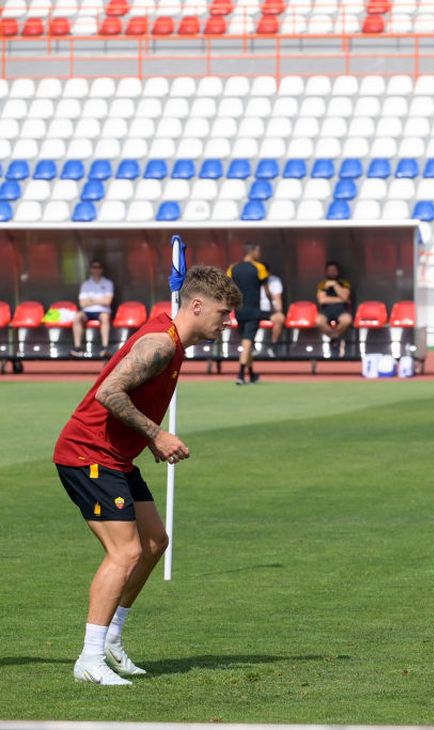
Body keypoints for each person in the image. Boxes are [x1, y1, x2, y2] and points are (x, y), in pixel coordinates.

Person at [53, 266, 241, 686]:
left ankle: (113, 639)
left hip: (116, 456)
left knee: (155, 541)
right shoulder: (159, 344)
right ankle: (89, 658)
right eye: (223, 313)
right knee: (126, 553)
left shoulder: (174, 344)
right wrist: (157, 432)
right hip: (88, 454)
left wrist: (147, 439)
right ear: (196, 306)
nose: (228, 322)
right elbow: (108, 391)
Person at [227, 243, 277, 384]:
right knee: (247, 342)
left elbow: (227, 287)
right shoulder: (259, 268)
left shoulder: (233, 268)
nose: (259, 254)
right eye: (258, 251)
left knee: (247, 342)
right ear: (253, 251)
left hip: (239, 311)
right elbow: (267, 290)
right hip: (253, 311)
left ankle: (252, 374)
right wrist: (272, 305)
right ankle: (241, 374)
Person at [71, 259, 114, 357]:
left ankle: (105, 348)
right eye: (94, 267)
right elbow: (82, 304)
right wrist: (100, 300)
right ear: (91, 269)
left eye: (98, 267)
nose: (96, 270)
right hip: (87, 312)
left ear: (102, 270)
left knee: (105, 318)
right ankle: (77, 347)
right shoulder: (85, 284)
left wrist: (90, 300)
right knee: (77, 317)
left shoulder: (108, 283)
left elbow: (107, 302)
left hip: (102, 311)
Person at [315, 261, 352, 358]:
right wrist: (339, 299)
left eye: (334, 270)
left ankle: (334, 339)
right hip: (326, 310)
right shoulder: (323, 284)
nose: (332, 272)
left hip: (341, 310)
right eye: (330, 270)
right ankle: (335, 338)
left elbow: (345, 297)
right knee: (319, 321)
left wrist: (335, 286)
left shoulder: (344, 283)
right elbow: (322, 300)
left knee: (347, 320)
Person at [259, 272, 286, 357]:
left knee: (280, 318)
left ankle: (273, 346)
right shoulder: (252, 279)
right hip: (255, 310)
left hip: (270, 312)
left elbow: (278, 300)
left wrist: (278, 310)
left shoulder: (274, 281)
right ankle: (250, 346)